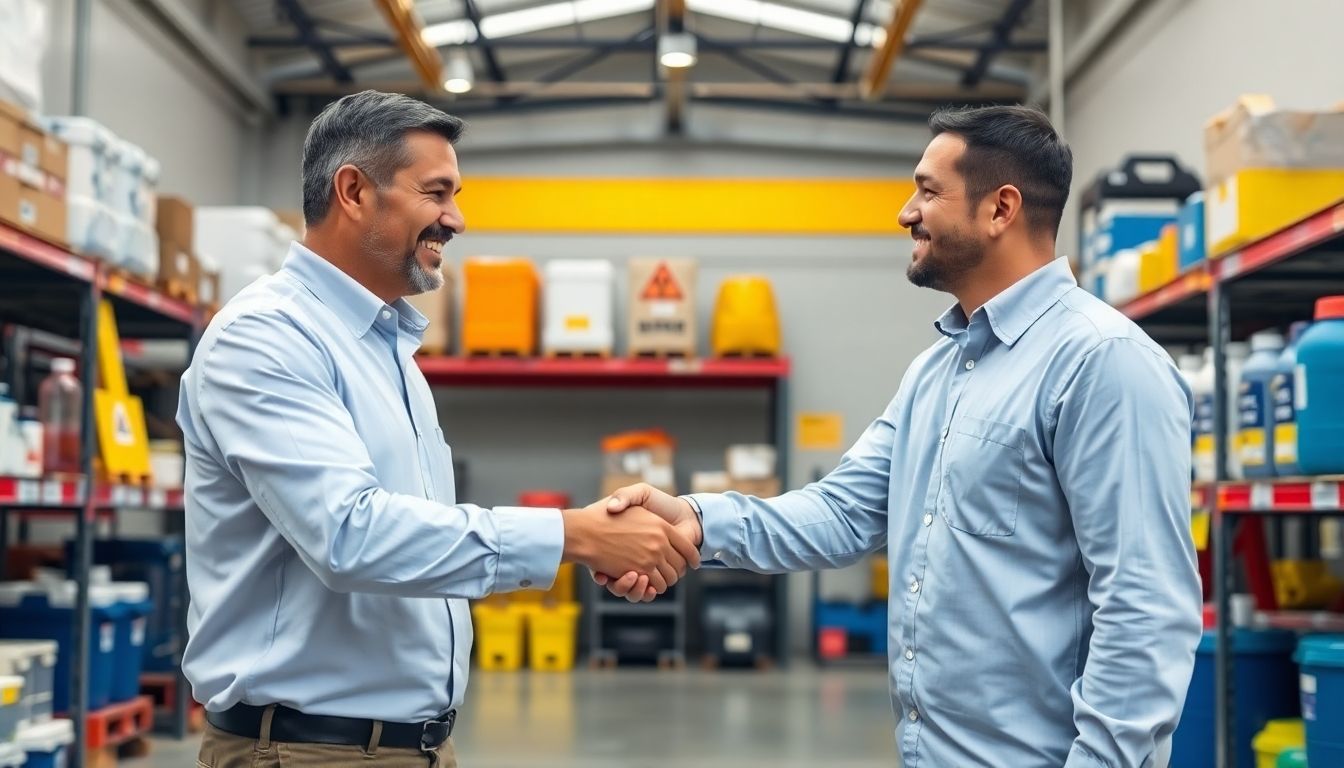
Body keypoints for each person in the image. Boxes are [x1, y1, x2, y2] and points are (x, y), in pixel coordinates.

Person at [599, 105, 1201, 767]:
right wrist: (691, 518)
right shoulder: (938, 369)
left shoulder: (1102, 362)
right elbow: (842, 512)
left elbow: (1145, 608)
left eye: (928, 190)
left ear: (1000, 209)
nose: (905, 212)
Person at [177, 90, 698, 768]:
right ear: (355, 191)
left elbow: (418, 540)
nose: (456, 218)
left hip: (408, 745)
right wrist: (574, 536)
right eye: (437, 193)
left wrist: (594, 544)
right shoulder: (268, 338)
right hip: (306, 751)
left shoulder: (384, 346)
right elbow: (348, 535)